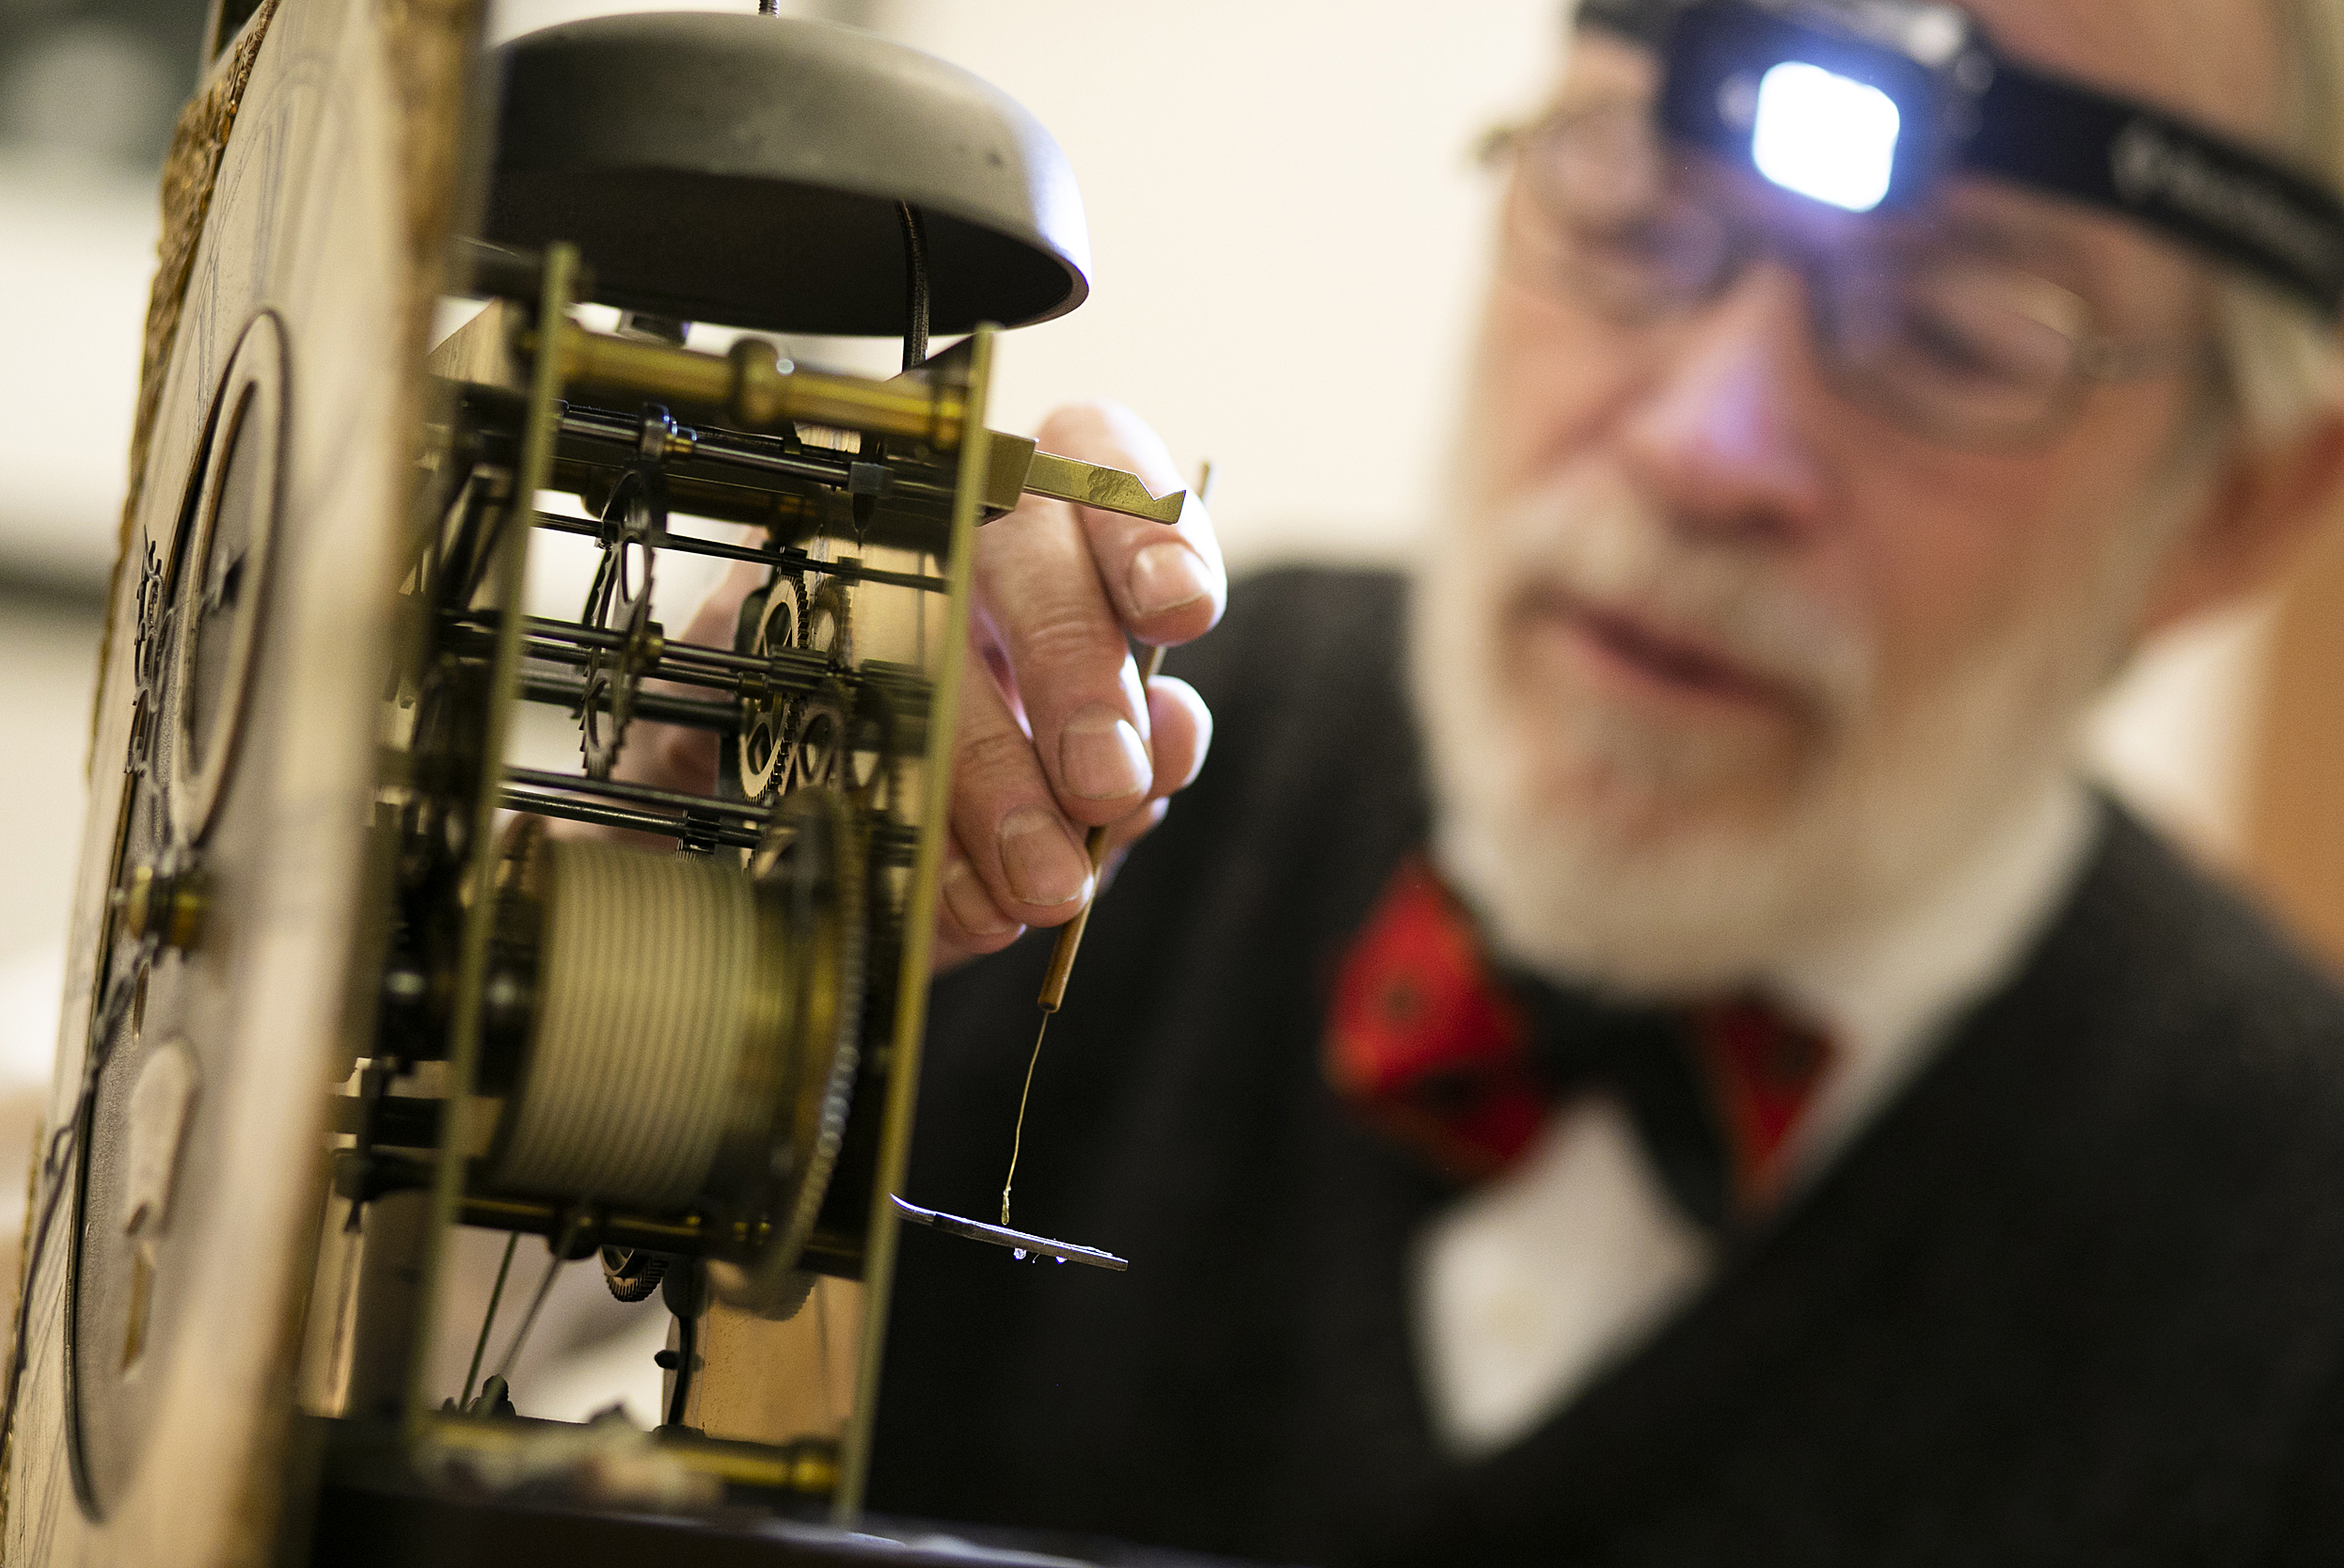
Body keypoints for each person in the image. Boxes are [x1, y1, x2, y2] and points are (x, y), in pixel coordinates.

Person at [644, 0, 2344, 1559]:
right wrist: (672, 946)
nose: (1708, 445)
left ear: (2234, 511)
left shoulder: (2295, 1283)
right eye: (1626, 216)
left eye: (1963, 337)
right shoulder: (1081, 782)